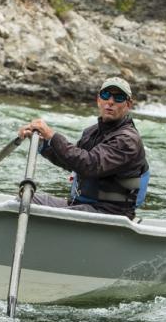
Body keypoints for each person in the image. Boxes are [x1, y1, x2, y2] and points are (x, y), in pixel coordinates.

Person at [17, 77, 150, 219]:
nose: (110, 101)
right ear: (99, 100)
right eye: (106, 95)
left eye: (118, 97)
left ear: (128, 104)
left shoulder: (127, 140)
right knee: (24, 200)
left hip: (110, 213)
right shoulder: (91, 132)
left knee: (31, 205)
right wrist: (41, 144)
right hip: (82, 205)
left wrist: (52, 136)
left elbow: (89, 164)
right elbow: (72, 162)